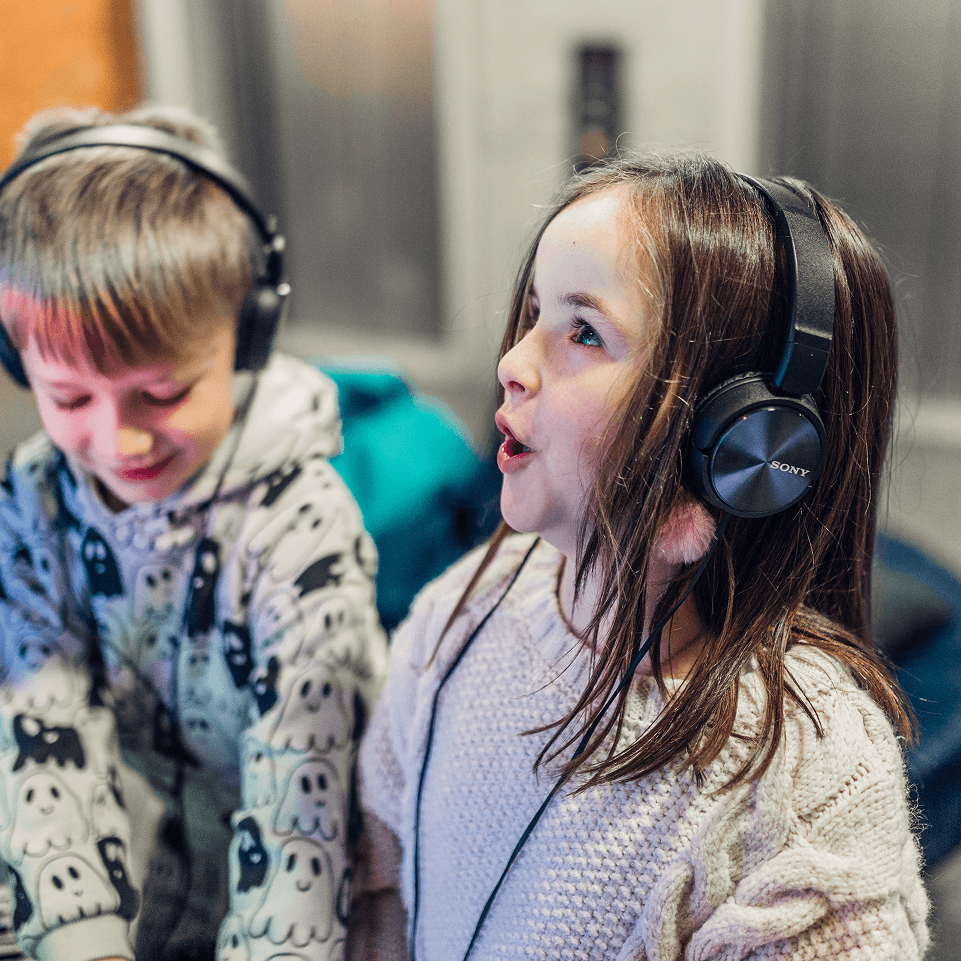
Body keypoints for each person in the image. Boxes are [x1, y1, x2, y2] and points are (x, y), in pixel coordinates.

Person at [350, 152, 931, 960]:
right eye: (532, 315)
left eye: (581, 332)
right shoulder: (461, 608)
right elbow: (375, 890)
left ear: (736, 444)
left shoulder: (808, 779)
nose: (512, 364)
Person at [0, 105, 387, 961]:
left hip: (319, 902)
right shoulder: (36, 498)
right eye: (68, 399)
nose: (119, 440)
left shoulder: (301, 529)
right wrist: (84, 939)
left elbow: (302, 815)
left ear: (246, 334)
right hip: (158, 867)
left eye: (162, 394)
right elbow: (44, 731)